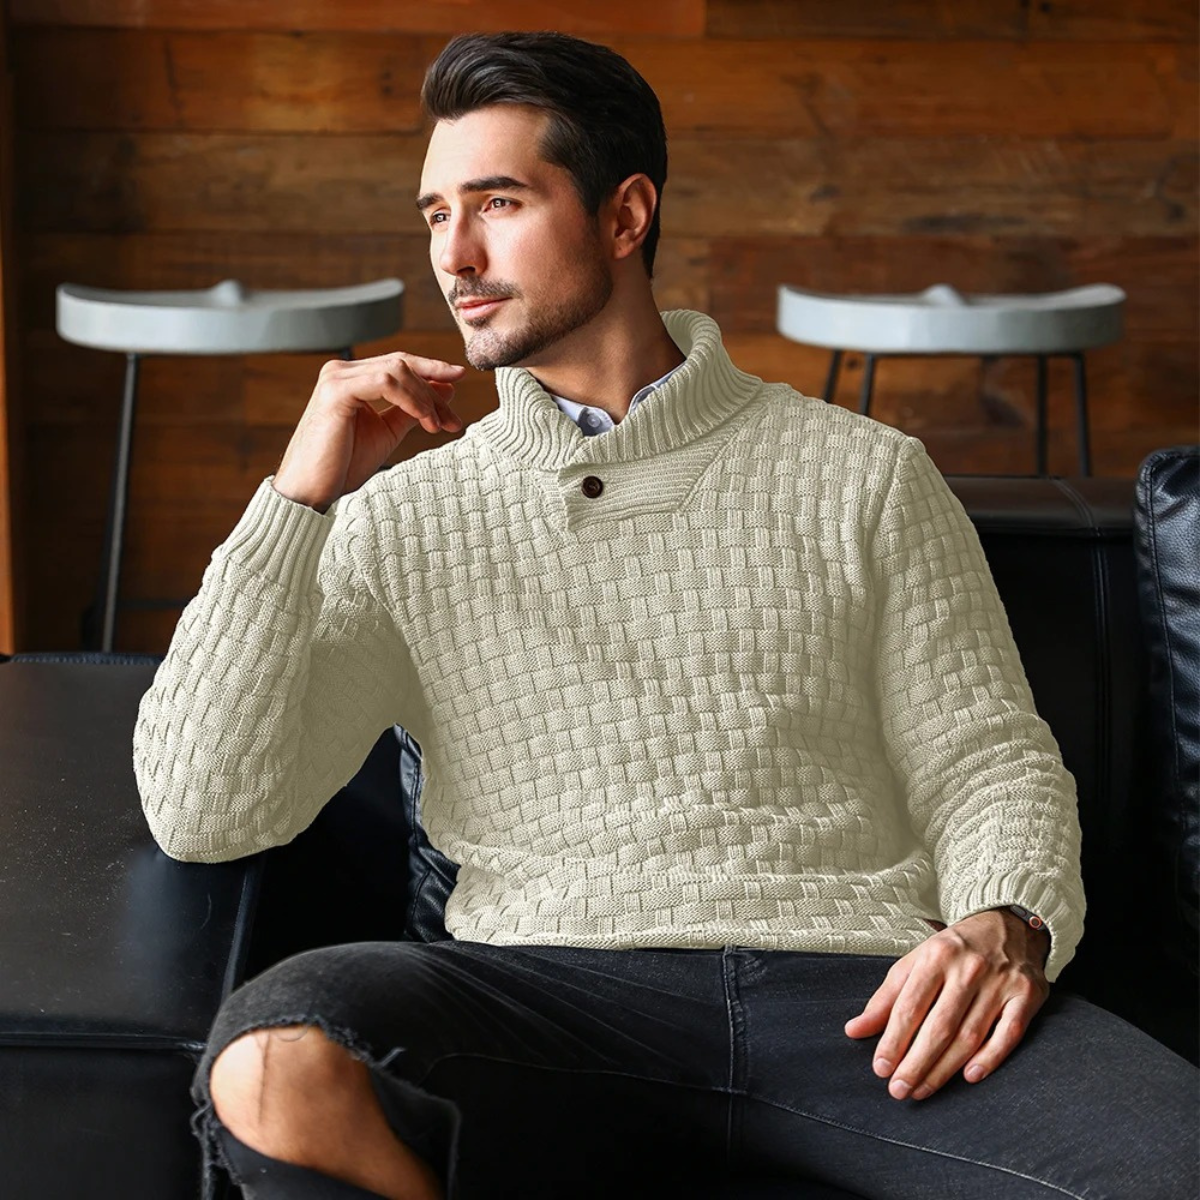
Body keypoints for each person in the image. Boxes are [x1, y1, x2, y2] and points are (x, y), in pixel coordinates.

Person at [132, 30, 1199, 1200]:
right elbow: (206, 812)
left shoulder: (865, 474)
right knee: (276, 1061)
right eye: (437, 214)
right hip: (543, 1003)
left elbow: (985, 756)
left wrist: (1007, 919)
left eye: (498, 203)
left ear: (625, 215)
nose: (455, 255)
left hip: (859, 1000)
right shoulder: (402, 518)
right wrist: (296, 503)